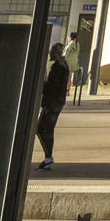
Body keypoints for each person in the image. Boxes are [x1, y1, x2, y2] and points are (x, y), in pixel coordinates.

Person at [37, 41, 70, 171]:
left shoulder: (57, 66)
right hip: (58, 101)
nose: (50, 52)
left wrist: (40, 84)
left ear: (56, 52)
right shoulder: (63, 65)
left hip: (52, 102)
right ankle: (47, 158)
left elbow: (52, 86)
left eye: (52, 50)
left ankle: (48, 157)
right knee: (48, 129)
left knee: (40, 128)